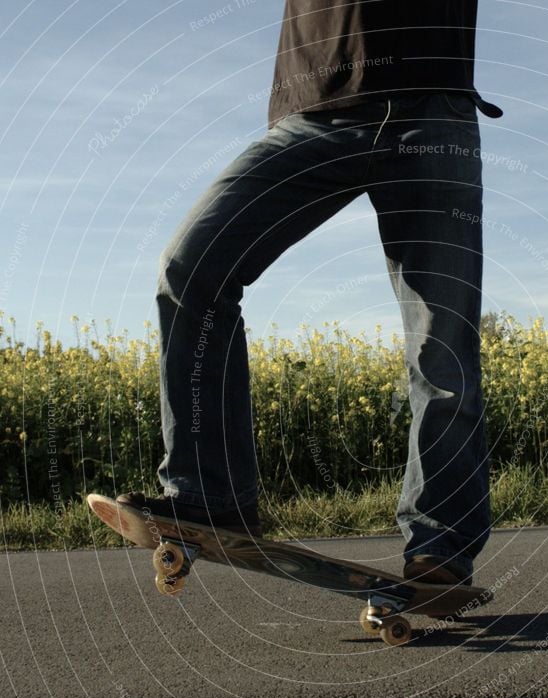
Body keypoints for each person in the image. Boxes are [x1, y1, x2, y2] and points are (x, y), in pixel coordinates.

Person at [120, 1, 502, 587]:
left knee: (441, 342)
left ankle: (441, 548)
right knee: (191, 271)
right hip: (316, 110)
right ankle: (209, 496)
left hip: (432, 108)